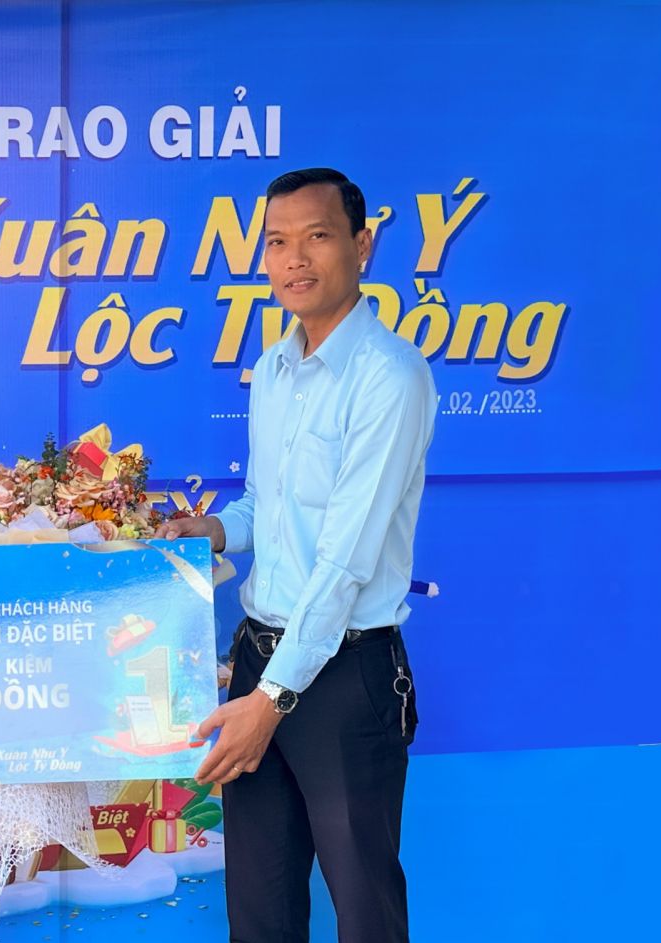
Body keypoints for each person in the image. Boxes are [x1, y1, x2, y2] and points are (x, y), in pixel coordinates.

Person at [158, 168, 435, 942]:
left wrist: (271, 700)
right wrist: (211, 530)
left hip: (344, 676)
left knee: (365, 912)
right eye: (278, 242)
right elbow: (268, 507)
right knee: (261, 909)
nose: (295, 259)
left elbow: (344, 561)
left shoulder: (389, 378)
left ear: (362, 245)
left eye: (317, 236)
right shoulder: (274, 370)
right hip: (259, 657)